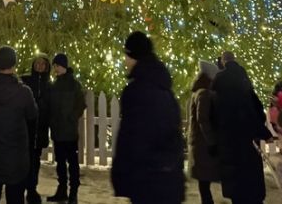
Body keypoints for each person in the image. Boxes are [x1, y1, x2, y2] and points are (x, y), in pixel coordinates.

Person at [111, 31, 184, 204]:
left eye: (127, 55)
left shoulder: (137, 91)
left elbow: (131, 137)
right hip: (168, 178)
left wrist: (122, 175)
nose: (125, 61)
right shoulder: (164, 89)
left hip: (147, 180)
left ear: (134, 56)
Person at [0, 45, 37, 204]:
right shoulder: (24, 92)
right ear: (14, 63)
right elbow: (32, 115)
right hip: (16, 156)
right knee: (16, 198)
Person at [211, 50, 272, 204]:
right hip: (248, 144)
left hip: (228, 144)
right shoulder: (243, 82)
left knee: (236, 191)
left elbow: (212, 117)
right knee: (251, 188)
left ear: (223, 62)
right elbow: (255, 112)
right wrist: (263, 132)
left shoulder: (218, 88)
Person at [45, 53, 85, 204]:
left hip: (69, 131)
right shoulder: (55, 85)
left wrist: (71, 117)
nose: (55, 68)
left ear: (64, 66)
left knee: (72, 163)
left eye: (57, 65)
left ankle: (73, 192)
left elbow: (80, 105)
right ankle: (62, 191)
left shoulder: (74, 85)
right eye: (54, 66)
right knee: (61, 163)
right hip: (58, 131)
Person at [188, 60, 220, 204]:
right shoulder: (204, 94)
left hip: (201, 143)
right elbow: (203, 119)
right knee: (205, 181)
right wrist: (212, 141)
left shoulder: (199, 92)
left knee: (204, 181)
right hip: (204, 145)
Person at [21, 54, 51, 204]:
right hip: (26, 128)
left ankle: (32, 188)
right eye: (37, 63)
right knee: (24, 159)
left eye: (42, 64)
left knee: (35, 160)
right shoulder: (25, 81)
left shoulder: (48, 85)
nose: (39, 66)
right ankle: (21, 187)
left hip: (40, 129)